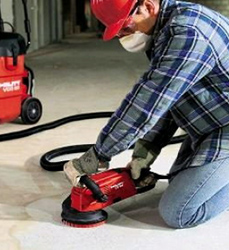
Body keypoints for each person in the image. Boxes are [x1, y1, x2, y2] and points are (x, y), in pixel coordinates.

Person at [64, 0, 229, 229]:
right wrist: (145, 152)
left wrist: (99, 154)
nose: (121, 35)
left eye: (125, 25)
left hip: (225, 126)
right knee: (176, 182)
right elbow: (171, 101)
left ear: (148, 6)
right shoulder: (164, 31)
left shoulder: (189, 33)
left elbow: (147, 104)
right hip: (212, 121)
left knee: (179, 211)